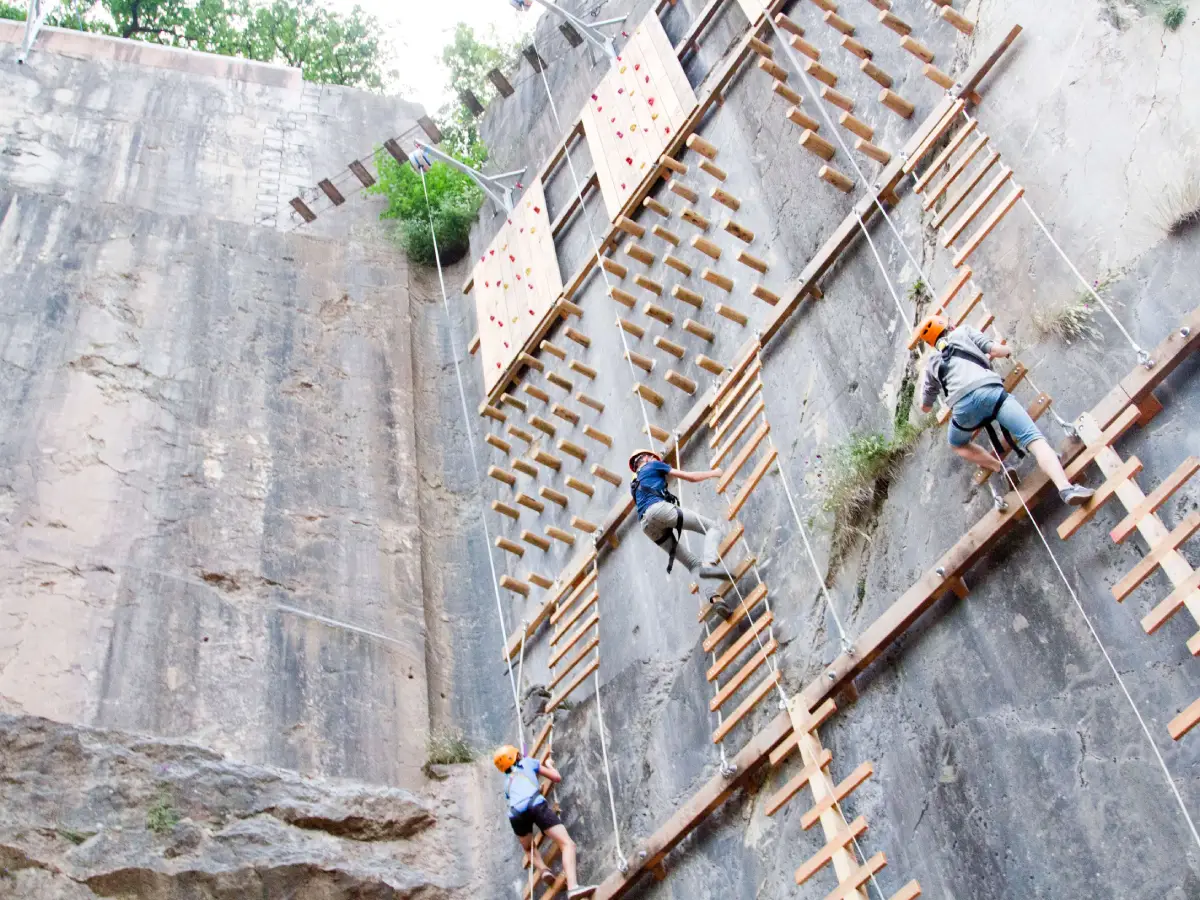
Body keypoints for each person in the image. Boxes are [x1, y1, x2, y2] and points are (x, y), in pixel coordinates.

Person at [915, 315, 1095, 506]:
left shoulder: (932, 364)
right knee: (1034, 439)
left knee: (958, 444)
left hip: (963, 409)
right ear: (948, 325)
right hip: (993, 395)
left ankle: (1000, 467)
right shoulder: (963, 332)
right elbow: (996, 350)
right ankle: (1065, 488)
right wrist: (1008, 349)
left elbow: (925, 407)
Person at [628, 449, 735, 616]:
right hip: (659, 510)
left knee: (692, 564)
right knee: (713, 528)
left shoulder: (633, 486)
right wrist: (714, 473)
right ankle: (709, 564)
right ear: (648, 458)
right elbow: (691, 477)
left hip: (647, 527)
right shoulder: (654, 465)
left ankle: (715, 599)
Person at [494, 745, 597, 898]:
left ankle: (543, 870)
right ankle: (573, 887)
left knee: (529, 849)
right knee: (567, 844)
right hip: (535, 804)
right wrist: (548, 764)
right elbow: (556, 777)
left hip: (515, 814)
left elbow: (518, 796)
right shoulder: (528, 762)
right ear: (515, 756)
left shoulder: (506, 782)